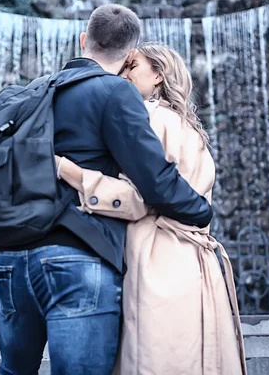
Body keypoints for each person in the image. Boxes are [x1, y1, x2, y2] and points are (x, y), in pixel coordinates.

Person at [0, 5, 214, 375]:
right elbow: (155, 180)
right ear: (130, 54)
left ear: (83, 40)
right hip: (75, 255)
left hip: (12, 258)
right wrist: (201, 211)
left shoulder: (32, 92)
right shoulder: (115, 92)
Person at [56, 44, 247, 374]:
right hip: (191, 263)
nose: (123, 73)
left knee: (153, 361)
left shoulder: (149, 116)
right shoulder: (186, 125)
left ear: (158, 75)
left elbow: (139, 199)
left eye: (133, 66)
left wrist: (67, 170)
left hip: (159, 260)